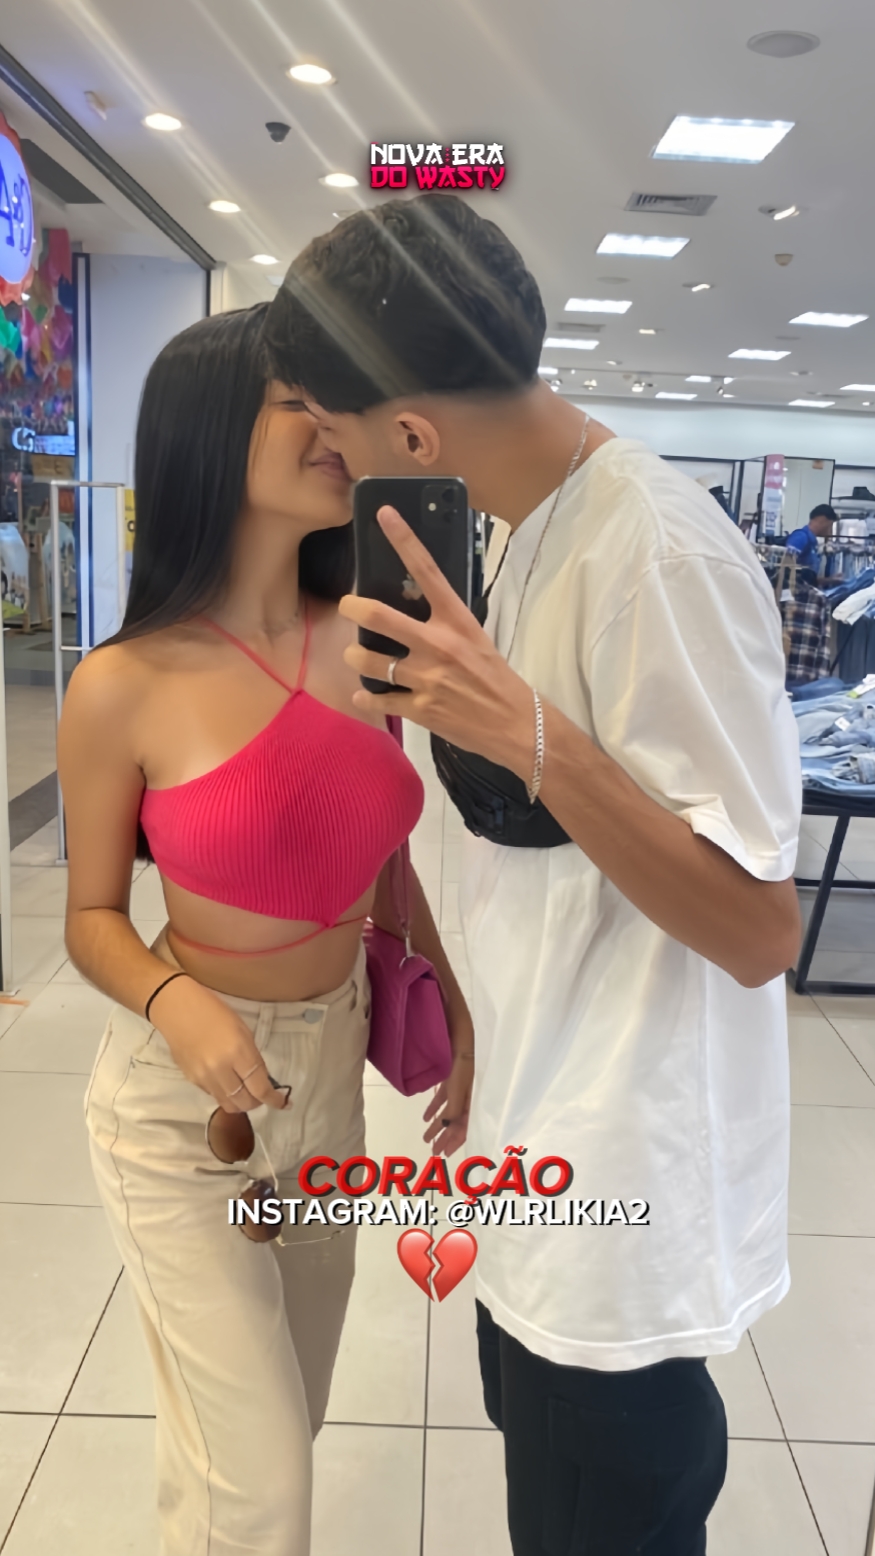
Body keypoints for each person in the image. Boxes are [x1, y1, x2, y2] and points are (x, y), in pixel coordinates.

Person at [264, 195, 803, 1556]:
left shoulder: (657, 556)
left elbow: (757, 929)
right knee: (542, 1474)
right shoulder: (502, 529)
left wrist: (531, 736)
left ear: (410, 439)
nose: (325, 455)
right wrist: (471, 1024)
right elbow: (523, 852)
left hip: (618, 1185)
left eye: (329, 428)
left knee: (592, 1505)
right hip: (530, 1128)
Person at [58, 303, 473, 1556]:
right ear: (211, 426)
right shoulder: (122, 681)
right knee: (262, 1486)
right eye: (303, 400)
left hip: (329, 1088)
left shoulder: (374, 642)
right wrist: (171, 1000)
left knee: (271, 1436)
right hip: (180, 1107)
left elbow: (380, 852)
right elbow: (90, 917)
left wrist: (451, 1004)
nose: (336, 428)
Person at [784, 502, 837, 570]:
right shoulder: (801, 537)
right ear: (822, 520)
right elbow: (786, 568)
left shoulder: (812, 543)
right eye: (830, 525)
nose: (831, 530)